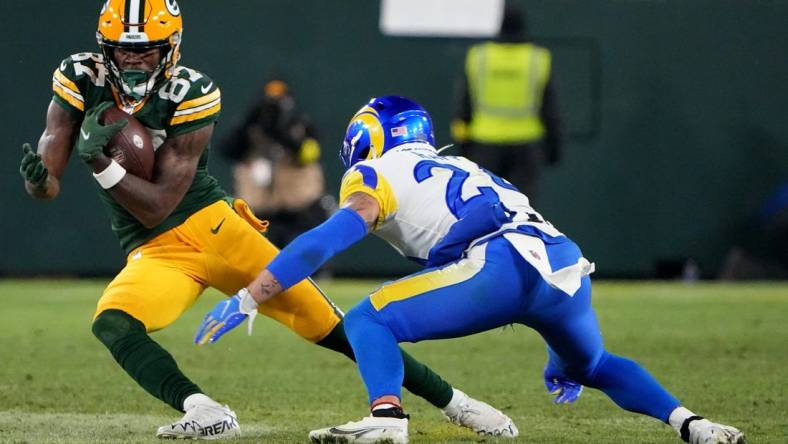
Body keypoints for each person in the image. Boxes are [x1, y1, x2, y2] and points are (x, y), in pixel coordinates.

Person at [17, 2, 515, 440]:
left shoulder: (192, 90)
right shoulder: (80, 76)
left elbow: (159, 204)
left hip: (215, 230)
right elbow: (49, 182)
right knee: (113, 324)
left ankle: (459, 404)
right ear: (104, 47)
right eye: (123, 50)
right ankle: (205, 410)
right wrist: (40, 178)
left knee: (335, 329)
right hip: (154, 250)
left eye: (146, 49)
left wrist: (103, 165)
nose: (133, 59)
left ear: (171, 47)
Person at [197, 96, 747, 444]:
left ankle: (387, 418)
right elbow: (501, 220)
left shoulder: (376, 172)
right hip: (562, 267)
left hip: (501, 263)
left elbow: (327, 238)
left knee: (368, 318)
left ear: (367, 138)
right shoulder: (458, 163)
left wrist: (253, 293)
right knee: (592, 363)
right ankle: (693, 425)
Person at [451, 3, 562, 203]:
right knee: (522, 208)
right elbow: (551, 110)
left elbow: (463, 107)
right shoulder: (537, 59)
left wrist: (463, 144)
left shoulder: (479, 57)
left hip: (484, 144)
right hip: (525, 147)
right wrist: (554, 148)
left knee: (481, 204)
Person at [219, 79, 334, 248]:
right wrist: (249, 121)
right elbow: (227, 151)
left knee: (302, 258)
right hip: (260, 212)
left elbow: (310, 154)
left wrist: (284, 135)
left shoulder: (301, 125)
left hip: (300, 210)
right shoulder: (250, 128)